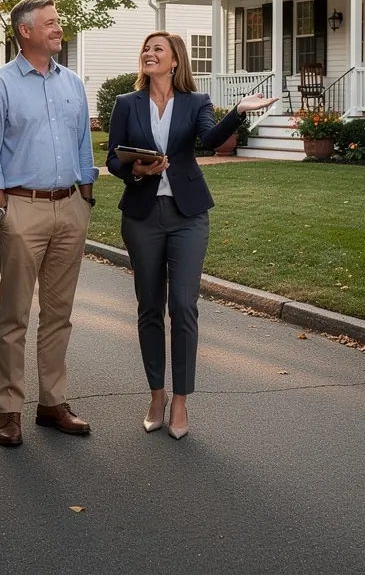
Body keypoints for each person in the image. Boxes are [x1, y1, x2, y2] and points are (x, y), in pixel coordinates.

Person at [105, 32, 276, 440]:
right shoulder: (127, 104)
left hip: (187, 216)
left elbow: (211, 140)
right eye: (145, 48)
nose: (148, 53)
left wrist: (238, 110)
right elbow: (112, 158)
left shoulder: (195, 102)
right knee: (149, 307)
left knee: (182, 306)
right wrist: (138, 171)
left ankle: (181, 399)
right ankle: (156, 394)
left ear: (175, 61)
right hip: (142, 217)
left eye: (157, 49)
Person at [0, 0, 98, 447]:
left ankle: (53, 402)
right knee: (14, 315)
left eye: (59, 22)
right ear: (25, 31)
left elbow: (84, 144)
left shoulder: (73, 83)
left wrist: (85, 198)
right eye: (49, 23)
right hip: (21, 208)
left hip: (70, 207)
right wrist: (2, 209)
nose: (58, 28)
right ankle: (9, 409)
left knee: (59, 313)